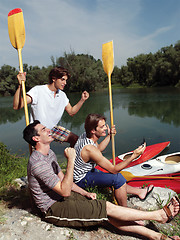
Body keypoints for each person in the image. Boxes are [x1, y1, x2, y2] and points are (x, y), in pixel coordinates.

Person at [23, 120, 180, 240]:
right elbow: (64, 189)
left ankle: (158, 237)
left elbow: (63, 180)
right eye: (44, 130)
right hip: (53, 208)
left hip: (61, 196)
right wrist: (71, 161)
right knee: (107, 209)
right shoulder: (38, 163)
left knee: (109, 216)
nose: (49, 130)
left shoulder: (48, 153)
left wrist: (84, 193)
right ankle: (158, 215)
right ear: (36, 138)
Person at [73, 113, 154, 206]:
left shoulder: (85, 136)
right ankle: (125, 212)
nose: (105, 128)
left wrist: (109, 136)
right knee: (118, 178)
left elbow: (98, 149)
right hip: (80, 179)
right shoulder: (89, 149)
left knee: (112, 177)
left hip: (86, 171)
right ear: (93, 130)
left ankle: (139, 192)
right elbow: (114, 170)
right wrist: (133, 156)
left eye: (104, 125)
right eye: (102, 126)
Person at [13, 66, 89, 146]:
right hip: (38, 131)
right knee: (42, 153)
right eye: (62, 79)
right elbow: (17, 106)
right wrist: (20, 86)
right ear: (54, 78)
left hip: (53, 129)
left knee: (75, 139)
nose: (65, 83)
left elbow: (71, 112)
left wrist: (82, 100)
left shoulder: (62, 95)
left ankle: (72, 157)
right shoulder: (38, 90)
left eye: (66, 80)